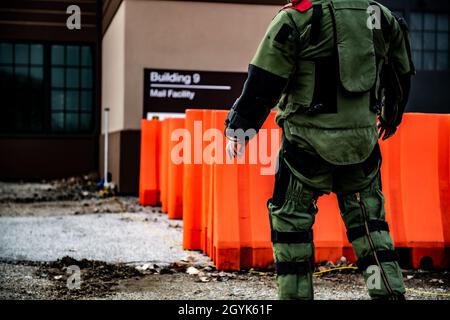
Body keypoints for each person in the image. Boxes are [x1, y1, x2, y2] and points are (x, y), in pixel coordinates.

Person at [224, 0, 414, 300]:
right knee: (370, 228)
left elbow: (263, 81)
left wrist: (239, 129)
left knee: (292, 227)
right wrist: (392, 116)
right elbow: (401, 72)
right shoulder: (380, 16)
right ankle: (389, 293)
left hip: (305, 148)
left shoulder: (297, 17)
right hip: (362, 148)